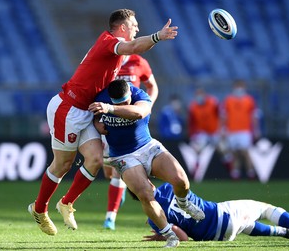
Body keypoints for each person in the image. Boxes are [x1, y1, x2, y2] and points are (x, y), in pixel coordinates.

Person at [27, 8, 178, 236]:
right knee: (63, 165)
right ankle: (39, 209)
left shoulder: (118, 53)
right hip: (67, 109)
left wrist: (99, 116)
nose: (137, 28)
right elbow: (135, 46)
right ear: (123, 28)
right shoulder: (109, 41)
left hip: (85, 110)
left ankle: (66, 203)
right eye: (134, 25)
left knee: (96, 159)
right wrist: (158, 36)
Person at [88, 79, 205, 248]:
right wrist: (97, 124)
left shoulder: (139, 94)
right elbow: (91, 117)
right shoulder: (100, 98)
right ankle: (170, 235)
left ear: (129, 93)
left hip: (147, 146)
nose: (125, 103)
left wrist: (110, 108)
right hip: (122, 155)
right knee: (145, 194)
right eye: (118, 103)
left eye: (126, 101)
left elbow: (139, 113)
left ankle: (183, 202)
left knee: (181, 181)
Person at [138, 182, 289, 242]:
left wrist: (160, 236)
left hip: (217, 237)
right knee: (266, 209)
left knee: (245, 224)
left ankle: (281, 232)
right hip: (221, 215)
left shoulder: (154, 219)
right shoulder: (166, 186)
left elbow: (182, 238)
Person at [102, 54, 159, 230]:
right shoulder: (106, 60)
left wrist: (145, 106)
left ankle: (110, 217)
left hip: (131, 123)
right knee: (108, 173)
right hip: (110, 120)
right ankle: (124, 187)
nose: (135, 32)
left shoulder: (139, 61)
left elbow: (152, 87)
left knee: (119, 171)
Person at [222, 79, 260, 180]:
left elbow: (254, 116)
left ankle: (251, 172)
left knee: (245, 151)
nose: (239, 89)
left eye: (241, 87)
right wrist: (223, 129)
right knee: (234, 152)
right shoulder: (228, 100)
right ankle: (235, 173)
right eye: (237, 87)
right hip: (232, 130)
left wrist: (256, 130)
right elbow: (224, 116)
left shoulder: (249, 100)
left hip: (245, 130)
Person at [188, 87, 220, 152]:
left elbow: (221, 116)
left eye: (201, 94)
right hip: (202, 132)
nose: (199, 96)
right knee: (198, 149)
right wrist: (192, 135)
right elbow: (191, 122)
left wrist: (222, 129)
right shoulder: (193, 107)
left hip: (215, 131)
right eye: (197, 94)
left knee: (221, 148)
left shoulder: (213, 103)